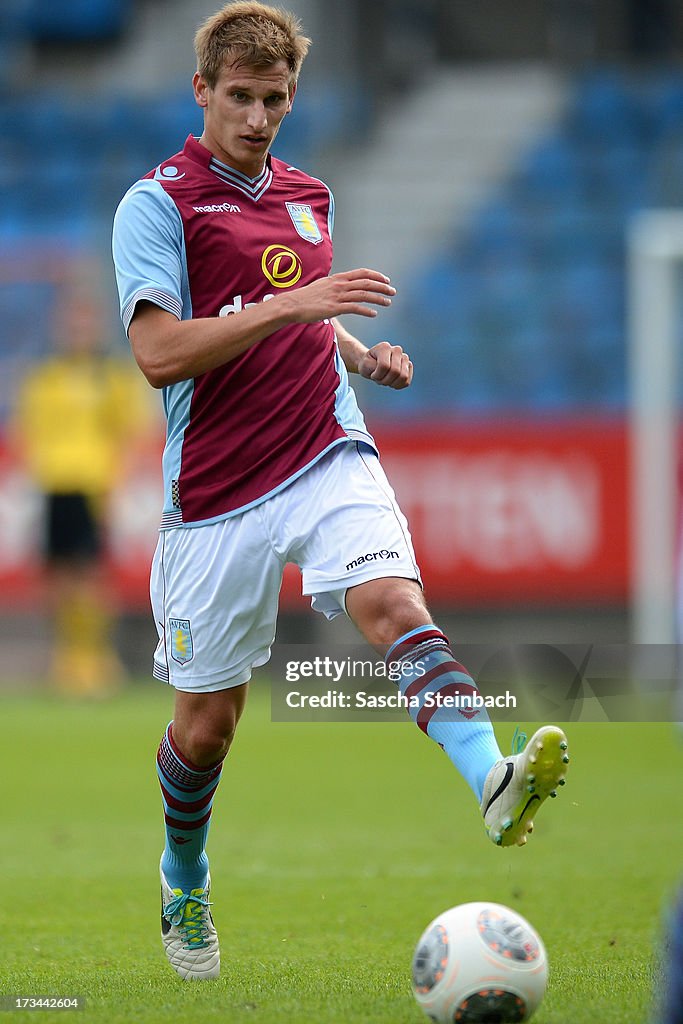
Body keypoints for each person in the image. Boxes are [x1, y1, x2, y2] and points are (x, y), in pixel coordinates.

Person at [112, 0, 570, 982]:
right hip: (215, 492)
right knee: (207, 727)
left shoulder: (309, 194)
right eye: (238, 97)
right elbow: (157, 355)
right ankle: (182, 872)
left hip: (325, 450)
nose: (256, 117)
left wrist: (358, 354)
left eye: (274, 100)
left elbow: (297, 316)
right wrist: (303, 305)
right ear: (201, 91)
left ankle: (488, 775)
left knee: (392, 602)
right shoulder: (157, 205)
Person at [13, 289, 150, 695]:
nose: (77, 330)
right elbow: (28, 431)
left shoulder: (111, 378)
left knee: (91, 575)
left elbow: (132, 431)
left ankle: (95, 658)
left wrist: (119, 480)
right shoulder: (43, 377)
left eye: (84, 322)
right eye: (70, 322)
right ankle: (67, 658)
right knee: (55, 576)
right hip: (53, 484)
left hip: (94, 484)